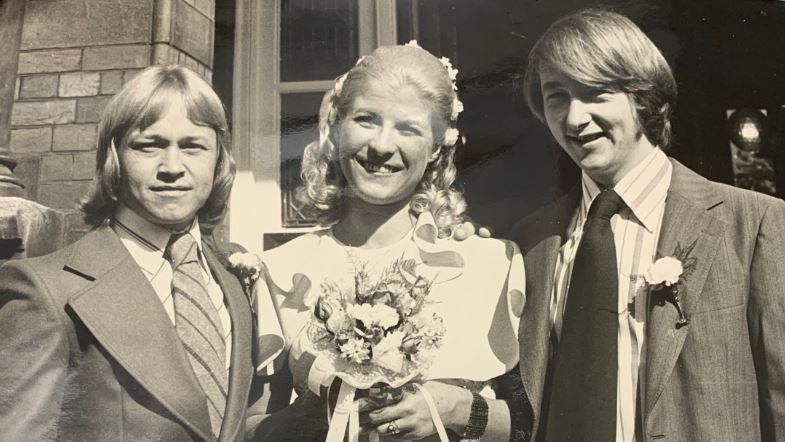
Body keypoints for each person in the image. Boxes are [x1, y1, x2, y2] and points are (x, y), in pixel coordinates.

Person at [509, 8, 785, 441]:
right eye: (556, 95)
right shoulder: (531, 242)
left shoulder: (754, 224)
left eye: (596, 92)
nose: (574, 118)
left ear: (643, 95)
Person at [254, 43, 530, 441]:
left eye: (408, 128)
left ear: (437, 147)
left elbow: (534, 424)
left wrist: (453, 409)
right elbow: (252, 426)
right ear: (336, 127)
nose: (382, 146)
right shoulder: (281, 270)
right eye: (366, 120)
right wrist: (327, 412)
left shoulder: (490, 262)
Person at [0, 65, 287, 441]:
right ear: (114, 157)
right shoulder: (47, 290)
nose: (172, 167)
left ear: (219, 160)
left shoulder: (234, 281)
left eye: (192, 146)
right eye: (149, 145)